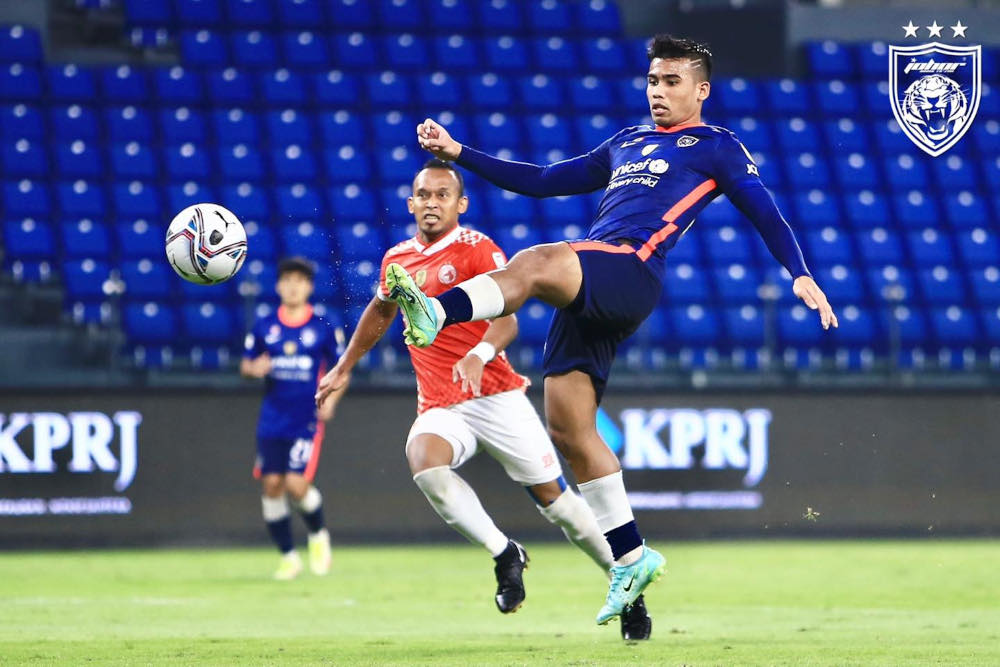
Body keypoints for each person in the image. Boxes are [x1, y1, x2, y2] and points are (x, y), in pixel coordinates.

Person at [340, 34, 840, 626]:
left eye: (672, 81)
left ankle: (437, 310)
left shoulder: (716, 146)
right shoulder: (626, 142)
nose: (658, 91)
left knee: (536, 262)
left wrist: (799, 273)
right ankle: (629, 562)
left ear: (701, 90)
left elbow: (764, 209)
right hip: (594, 289)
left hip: (629, 269)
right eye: (653, 80)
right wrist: (459, 151)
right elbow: (547, 178)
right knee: (569, 427)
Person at [316, 159, 653, 640]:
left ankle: (629, 591)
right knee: (424, 459)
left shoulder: (478, 250)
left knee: (558, 504)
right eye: (423, 195)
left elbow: (509, 317)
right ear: (410, 203)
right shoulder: (398, 260)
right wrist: (344, 366)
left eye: (442, 195)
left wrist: (479, 352)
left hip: (494, 395)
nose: (432, 204)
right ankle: (505, 553)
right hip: (440, 403)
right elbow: (381, 309)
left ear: (460, 204)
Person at [242, 256, 347, 580]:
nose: (292, 286)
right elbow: (246, 365)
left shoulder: (322, 325)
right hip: (273, 418)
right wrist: (253, 369)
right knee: (272, 485)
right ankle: (289, 556)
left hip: (306, 418)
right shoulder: (264, 325)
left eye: (299, 280)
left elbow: (341, 369)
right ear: (278, 286)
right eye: (286, 280)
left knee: (296, 484)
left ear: (309, 287)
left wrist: (331, 400)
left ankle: (318, 536)